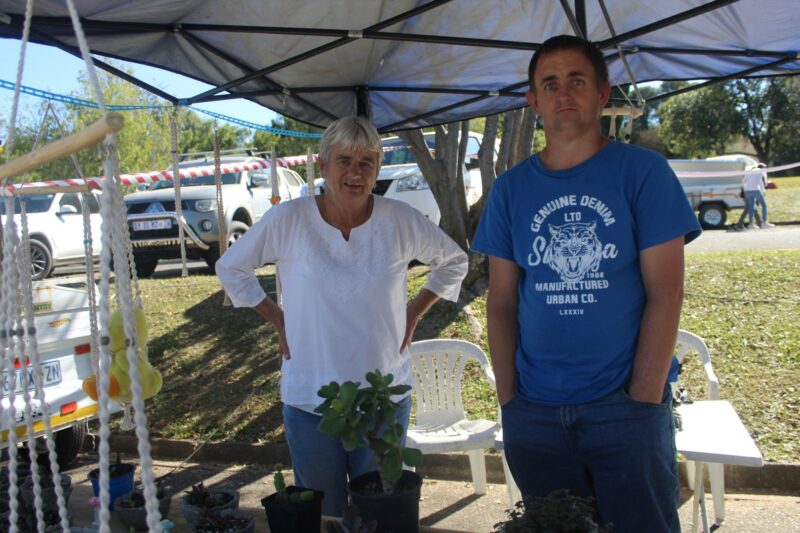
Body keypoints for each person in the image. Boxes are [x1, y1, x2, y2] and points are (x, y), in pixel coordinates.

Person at [472, 35, 701, 532]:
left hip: (625, 409)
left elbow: (667, 293)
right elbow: (502, 303)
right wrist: (511, 401)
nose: (564, 94)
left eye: (577, 80)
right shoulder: (511, 190)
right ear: (533, 101)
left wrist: (641, 398)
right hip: (535, 412)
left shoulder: (643, 173)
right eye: (549, 84)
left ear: (602, 92)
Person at [216, 116, 467, 517]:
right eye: (344, 160)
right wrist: (279, 320)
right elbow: (231, 268)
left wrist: (414, 312)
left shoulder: (398, 220)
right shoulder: (289, 220)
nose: (355, 172)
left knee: (381, 514)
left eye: (367, 162)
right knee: (324, 515)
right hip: (310, 394)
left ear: (379, 168)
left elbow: (454, 261)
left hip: (383, 394)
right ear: (323, 163)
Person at [742, 163, 774, 229]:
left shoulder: (750, 171)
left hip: (748, 191)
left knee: (752, 207)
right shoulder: (760, 172)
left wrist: (745, 190)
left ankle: (751, 224)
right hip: (756, 190)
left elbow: (743, 181)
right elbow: (761, 182)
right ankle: (764, 223)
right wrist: (763, 191)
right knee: (764, 205)